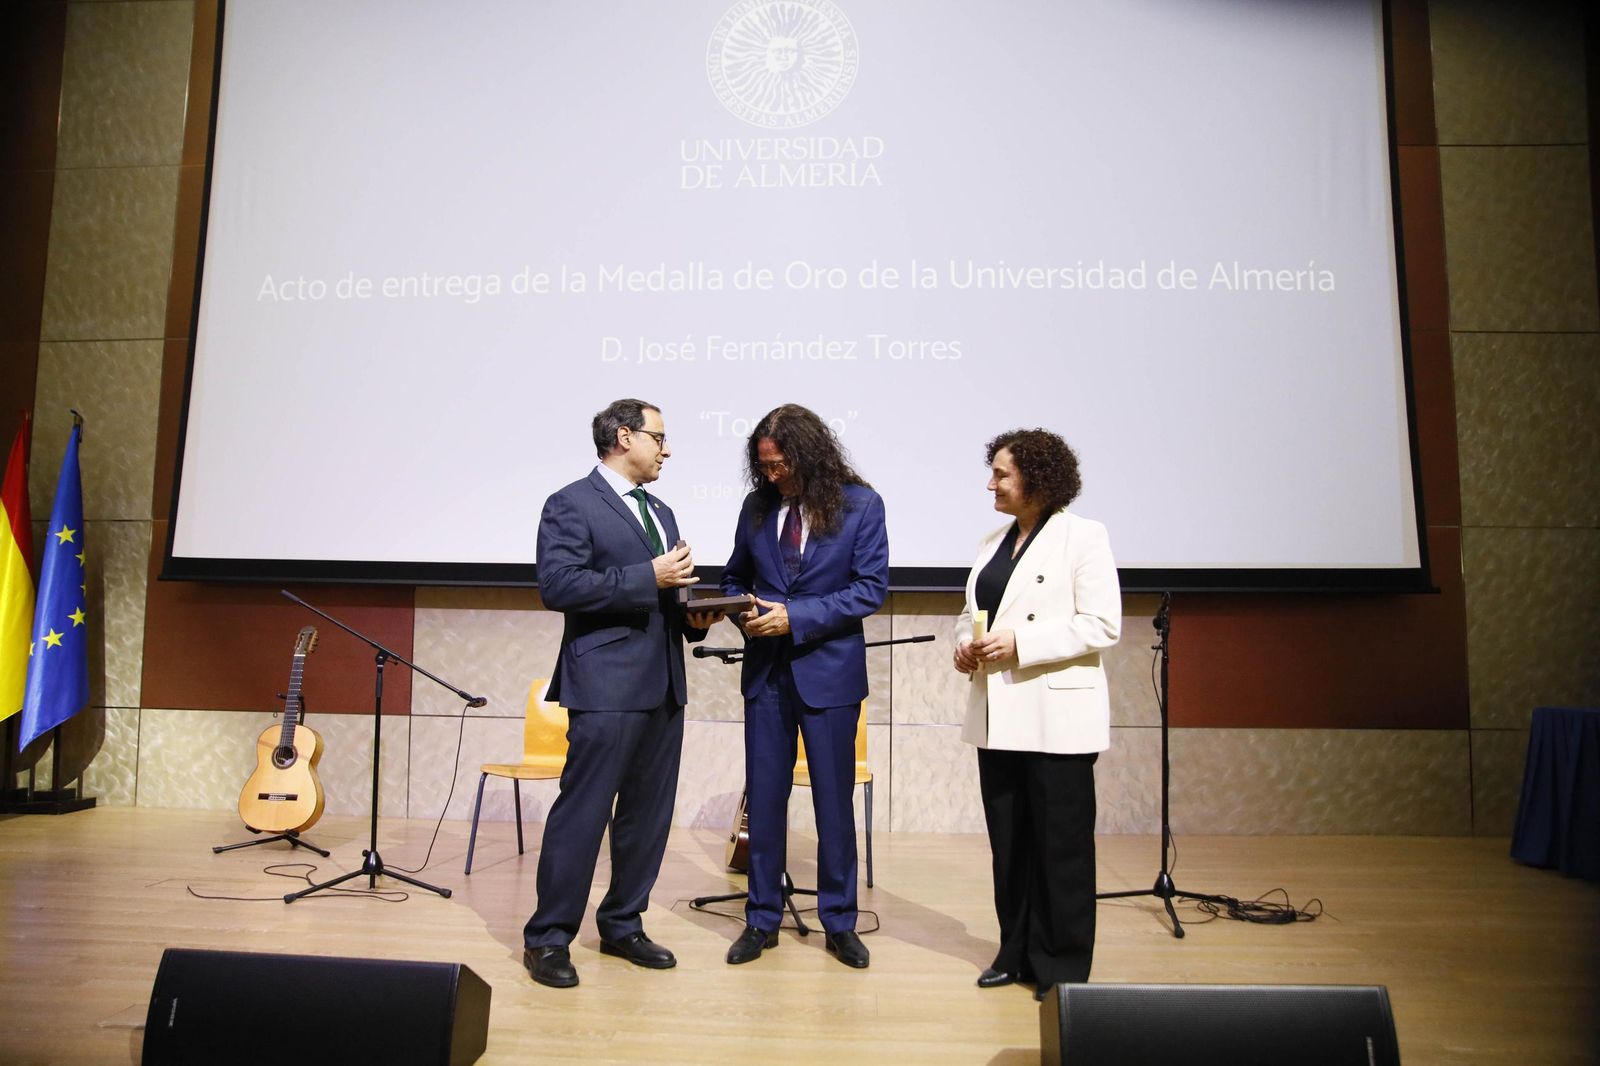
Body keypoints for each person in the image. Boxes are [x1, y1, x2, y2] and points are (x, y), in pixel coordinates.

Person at [522, 398, 723, 989]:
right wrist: (648, 577)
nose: (667, 449)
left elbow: (672, 593)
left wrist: (698, 617)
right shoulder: (571, 503)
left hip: (663, 683)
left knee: (647, 816)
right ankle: (549, 939)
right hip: (605, 684)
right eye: (659, 437)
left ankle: (622, 925)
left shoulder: (661, 509)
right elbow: (557, 585)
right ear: (623, 437)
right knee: (583, 814)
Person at [953, 428, 1121, 1000]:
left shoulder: (1084, 537)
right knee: (1011, 844)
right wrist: (963, 644)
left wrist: (1021, 643)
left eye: (1002, 473)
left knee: (1062, 849)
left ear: (1038, 479)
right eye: (993, 471)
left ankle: (1063, 968)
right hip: (997, 714)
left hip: (1057, 719)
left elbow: (1103, 624)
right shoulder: (991, 541)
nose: (991, 483)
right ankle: (1016, 951)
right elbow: (972, 613)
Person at [720, 404, 889, 969]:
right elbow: (733, 577)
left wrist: (795, 616)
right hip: (766, 674)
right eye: (764, 467)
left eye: (781, 465)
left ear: (810, 452)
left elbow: (869, 589)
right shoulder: (755, 507)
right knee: (764, 802)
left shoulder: (861, 505)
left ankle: (839, 922)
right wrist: (739, 611)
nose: (772, 476)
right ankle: (761, 918)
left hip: (829, 675)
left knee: (833, 805)